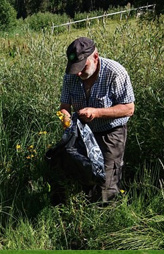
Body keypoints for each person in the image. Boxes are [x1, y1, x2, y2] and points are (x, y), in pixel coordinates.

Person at [59, 37, 135, 203]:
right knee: (83, 173)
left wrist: (97, 112)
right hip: (83, 133)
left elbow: (129, 109)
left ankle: (106, 218)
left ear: (95, 57)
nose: (78, 73)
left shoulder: (115, 72)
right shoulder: (71, 75)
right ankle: (85, 209)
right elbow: (65, 105)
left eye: (82, 67)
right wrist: (65, 117)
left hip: (110, 133)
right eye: (75, 68)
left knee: (106, 180)